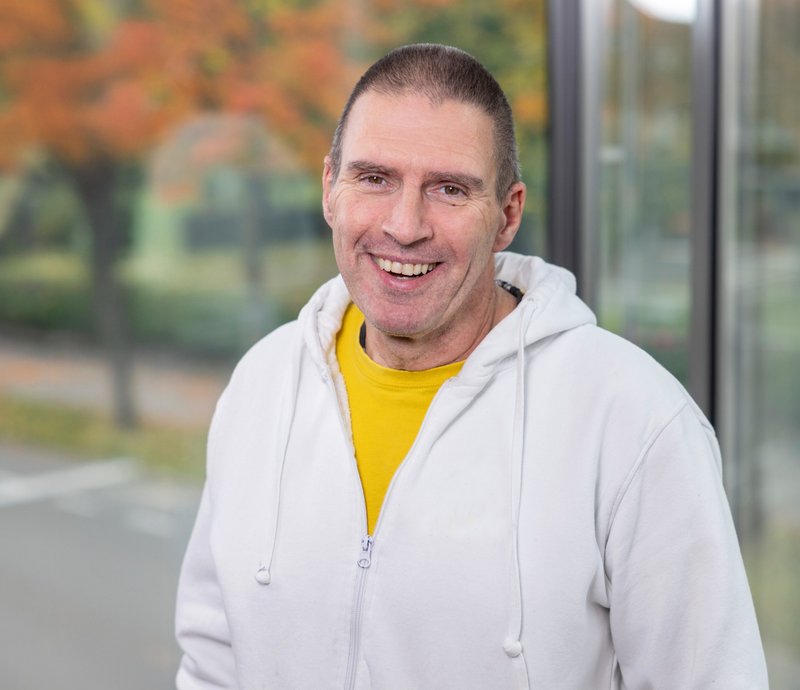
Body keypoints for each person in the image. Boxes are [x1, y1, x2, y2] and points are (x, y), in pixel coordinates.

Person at [175, 44, 768, 689]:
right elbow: (213, 662)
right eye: (374, 178)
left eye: (449, 189)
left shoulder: (634, 421)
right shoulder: (264, 384)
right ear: (329, 190)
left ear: (507, 215)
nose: (404, 226)